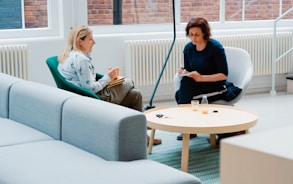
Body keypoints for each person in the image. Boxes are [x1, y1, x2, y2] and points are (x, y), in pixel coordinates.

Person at [57, 26, 161, 145]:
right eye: (90, 39)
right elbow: (90, 88)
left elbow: (86, 81)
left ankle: (142, 135)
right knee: (129, 82)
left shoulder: (70, 55)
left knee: (135, 94)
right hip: (95, 99)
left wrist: (108, 79)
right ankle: (141, 126)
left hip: (86, 96)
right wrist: (108, 77)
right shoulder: (81, 60)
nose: (94, 42)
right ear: (80, 41)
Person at [175, 17, 229, 141]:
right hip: (198, 84)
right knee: (181, 90)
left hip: (215, 85)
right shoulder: (188, 48)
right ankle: (189, 127)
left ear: (204, 33)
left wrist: (202, 78)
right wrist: (184, 72)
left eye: (197, 35)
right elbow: (189, 70)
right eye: (191, 34)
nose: (193, 38)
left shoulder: (215, 48)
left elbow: (224, 74)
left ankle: (188, 127)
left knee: (182, 95)